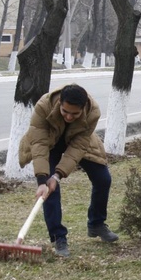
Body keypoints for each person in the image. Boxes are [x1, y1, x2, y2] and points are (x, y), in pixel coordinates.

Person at [19, 84, 119, 258]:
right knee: (50, 191)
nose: (69, 116)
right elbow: (39, 144)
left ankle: (96, 223)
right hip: (50, 142)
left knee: (103, 179)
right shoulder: (44, 106)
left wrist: (57, 176)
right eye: (65, 111)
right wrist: (43, 181)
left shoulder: (92, 111)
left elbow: (79, 146)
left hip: (78, 142)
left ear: (83, 109)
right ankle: (58, 237)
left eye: (75, 114)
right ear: (59, 103)